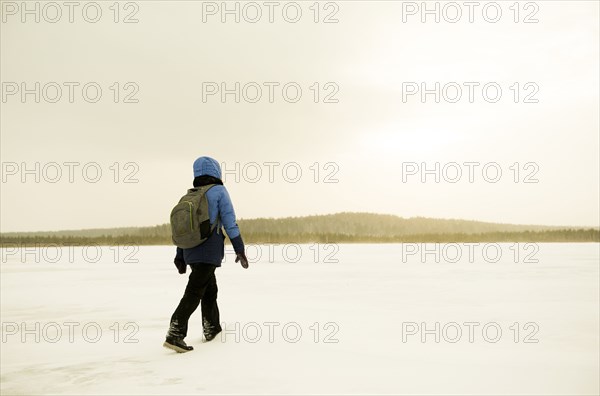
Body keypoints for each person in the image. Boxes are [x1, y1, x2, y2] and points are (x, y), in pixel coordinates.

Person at [164, 156, 248, 353]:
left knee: (209, 289)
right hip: (208, 249)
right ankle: (175, 333)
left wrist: (180, 254)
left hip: (190, 249)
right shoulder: (219, 191)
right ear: (216, 171)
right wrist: (240, 248)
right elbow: (230, 222)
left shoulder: (190, 194)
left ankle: (212, 328)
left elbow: (182, 230)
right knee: (195, 290)